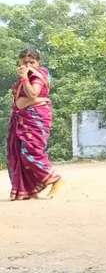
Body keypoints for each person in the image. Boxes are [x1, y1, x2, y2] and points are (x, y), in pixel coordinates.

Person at [7, 48, 64, 200]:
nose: (28, 65)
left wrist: (25, 77)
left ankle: (55, 179)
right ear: (19, 62)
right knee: (18, 153)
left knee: (30, 153)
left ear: (38, 63)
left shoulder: (38, 75)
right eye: (25, 62)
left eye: (32, 62)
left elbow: (33, 93)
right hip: (21, 119)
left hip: (36, 119)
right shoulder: (24, 78)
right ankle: (27, 190)